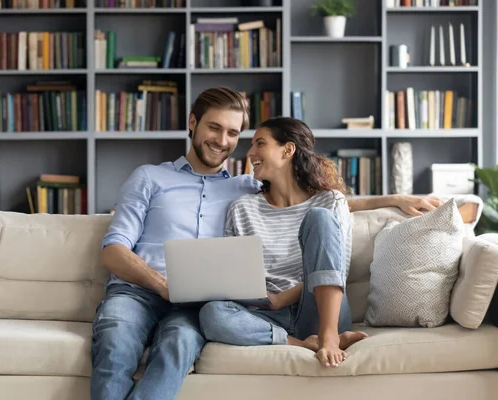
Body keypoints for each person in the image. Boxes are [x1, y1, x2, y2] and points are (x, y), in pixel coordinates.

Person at [91, 87, 441, 400]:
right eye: (214, 128)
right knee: (116, 342)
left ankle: (322, 336)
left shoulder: (244, 186)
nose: (224, 141)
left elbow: (315, 202)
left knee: (179, 344)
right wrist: (164, 285)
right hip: (138, 292)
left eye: (233, 133)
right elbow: (113, 249)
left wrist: (392, 199)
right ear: (193, 123)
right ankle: (303, 341)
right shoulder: (152, 177)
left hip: (196, 305)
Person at [199, 116, 369, 369]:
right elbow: (235, 276)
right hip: (265, 316)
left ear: (288, 150)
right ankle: (301, 344)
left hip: (319, 309)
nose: (251, 152)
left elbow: (334, 272)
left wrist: (282, 299)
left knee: (319, 218)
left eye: (260, 143)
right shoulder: (242, 208)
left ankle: (330, 336)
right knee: (211, 314)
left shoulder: (329, 201)